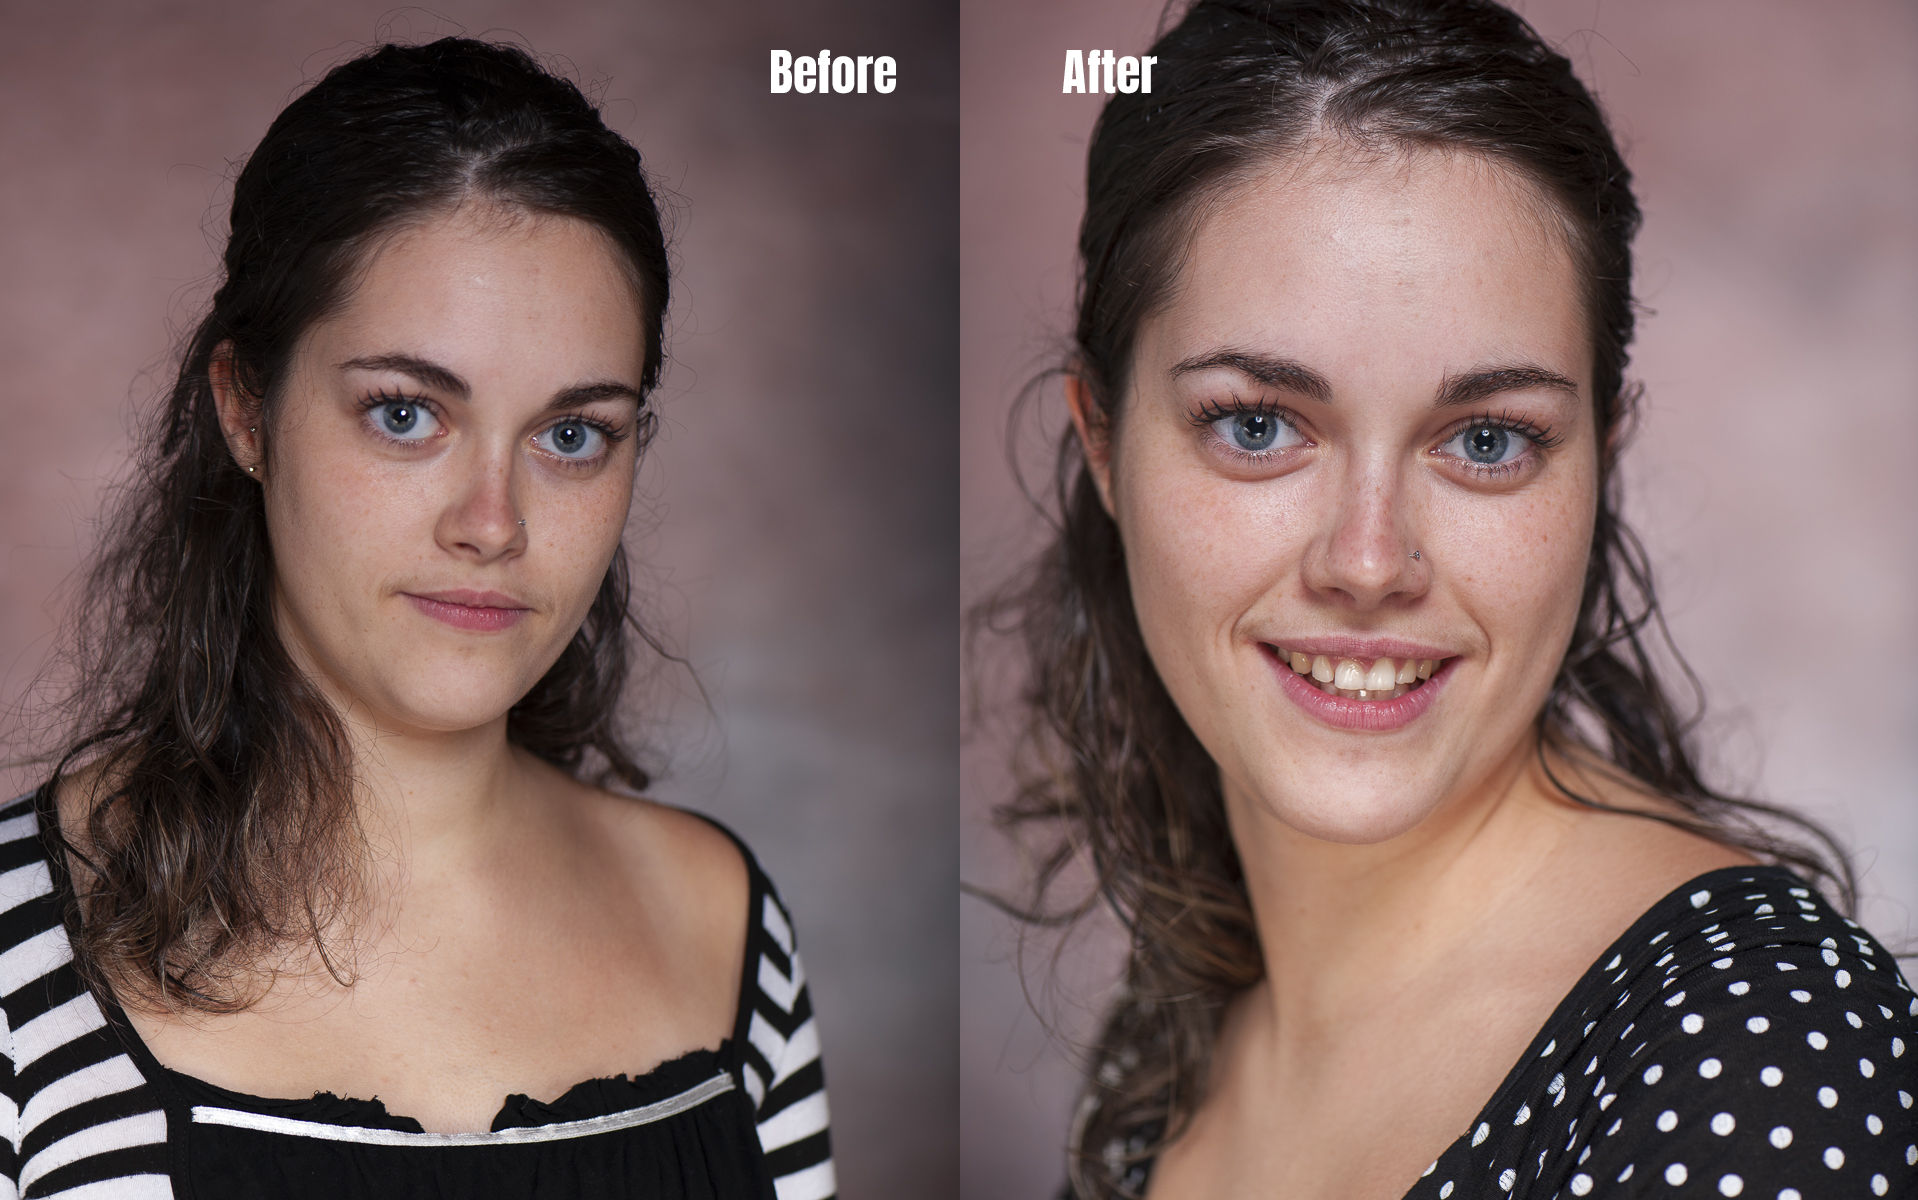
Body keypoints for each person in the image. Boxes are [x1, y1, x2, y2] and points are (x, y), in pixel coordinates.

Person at [982, 2, 1917, 1197]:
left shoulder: (1750, 1062)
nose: (1369, 562)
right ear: (1103, 443)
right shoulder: (1178, 1029)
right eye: (1258, 426)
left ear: (1598, 463)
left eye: (1484, 439)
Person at [0, 38, 833, 1200]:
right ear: (247, 408)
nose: (493, 522)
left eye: (572, 433)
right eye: (405, 414)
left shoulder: (721, 923)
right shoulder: (14, 955)